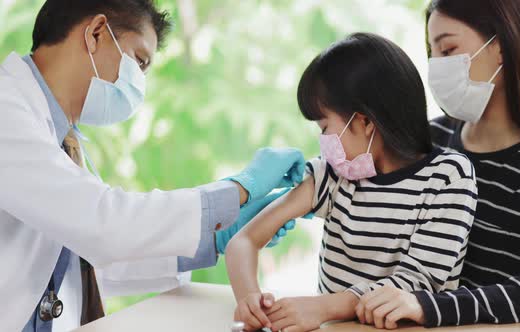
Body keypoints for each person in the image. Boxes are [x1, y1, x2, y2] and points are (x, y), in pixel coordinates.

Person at [0, 1, 300, 331]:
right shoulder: (6, 110)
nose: (140, 83)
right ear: (96, 32)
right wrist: (238, 190)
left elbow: (93, 254)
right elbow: (104, 224)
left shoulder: (64, 141)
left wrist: (216, 237)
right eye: (139, 61)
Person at [353, 0, 520, 329]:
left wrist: (431, 307)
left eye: (448, 49)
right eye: (431, 53)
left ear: (504, 47)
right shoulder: (426, 142)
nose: (436, 67)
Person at [225, 32, 479, 332]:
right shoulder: (333, 176)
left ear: (365, 122)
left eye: (325, 126)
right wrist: (249, 299)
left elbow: (415, 284)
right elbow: (243, 241)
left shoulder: (448, 177)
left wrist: (322, 307)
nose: (323, 141)